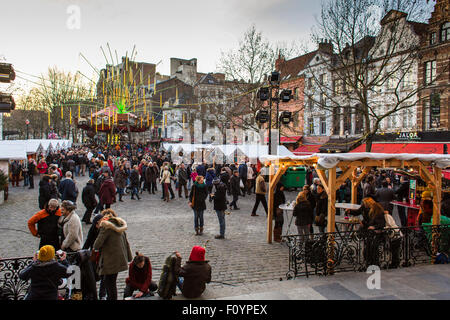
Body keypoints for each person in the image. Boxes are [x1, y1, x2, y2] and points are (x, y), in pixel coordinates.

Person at [93, 209, 132, 300]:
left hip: (110, 259)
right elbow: (126, 242)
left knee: (109, 283)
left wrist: (100, 230)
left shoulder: (106, 228)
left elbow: (97, 244)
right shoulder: (119, 225)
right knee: (111, 282)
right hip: (119, 258)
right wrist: (129, 257)